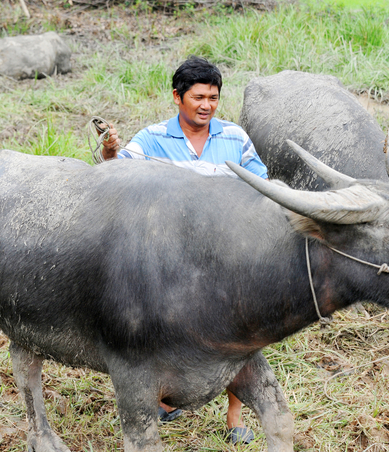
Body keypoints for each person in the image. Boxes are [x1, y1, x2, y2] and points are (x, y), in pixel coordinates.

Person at [97, 55, 267, 445]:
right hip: (169, 258)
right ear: (177, 97)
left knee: (237, 333)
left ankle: (235, 415)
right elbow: (115, 177)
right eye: (198, 97)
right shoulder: (153, 139)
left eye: (213, 97)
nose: (206, 105)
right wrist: (110, 151)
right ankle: (169, 399)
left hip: (227, 254)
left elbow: (261, 186)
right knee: (165, 329)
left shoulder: (235, 138)